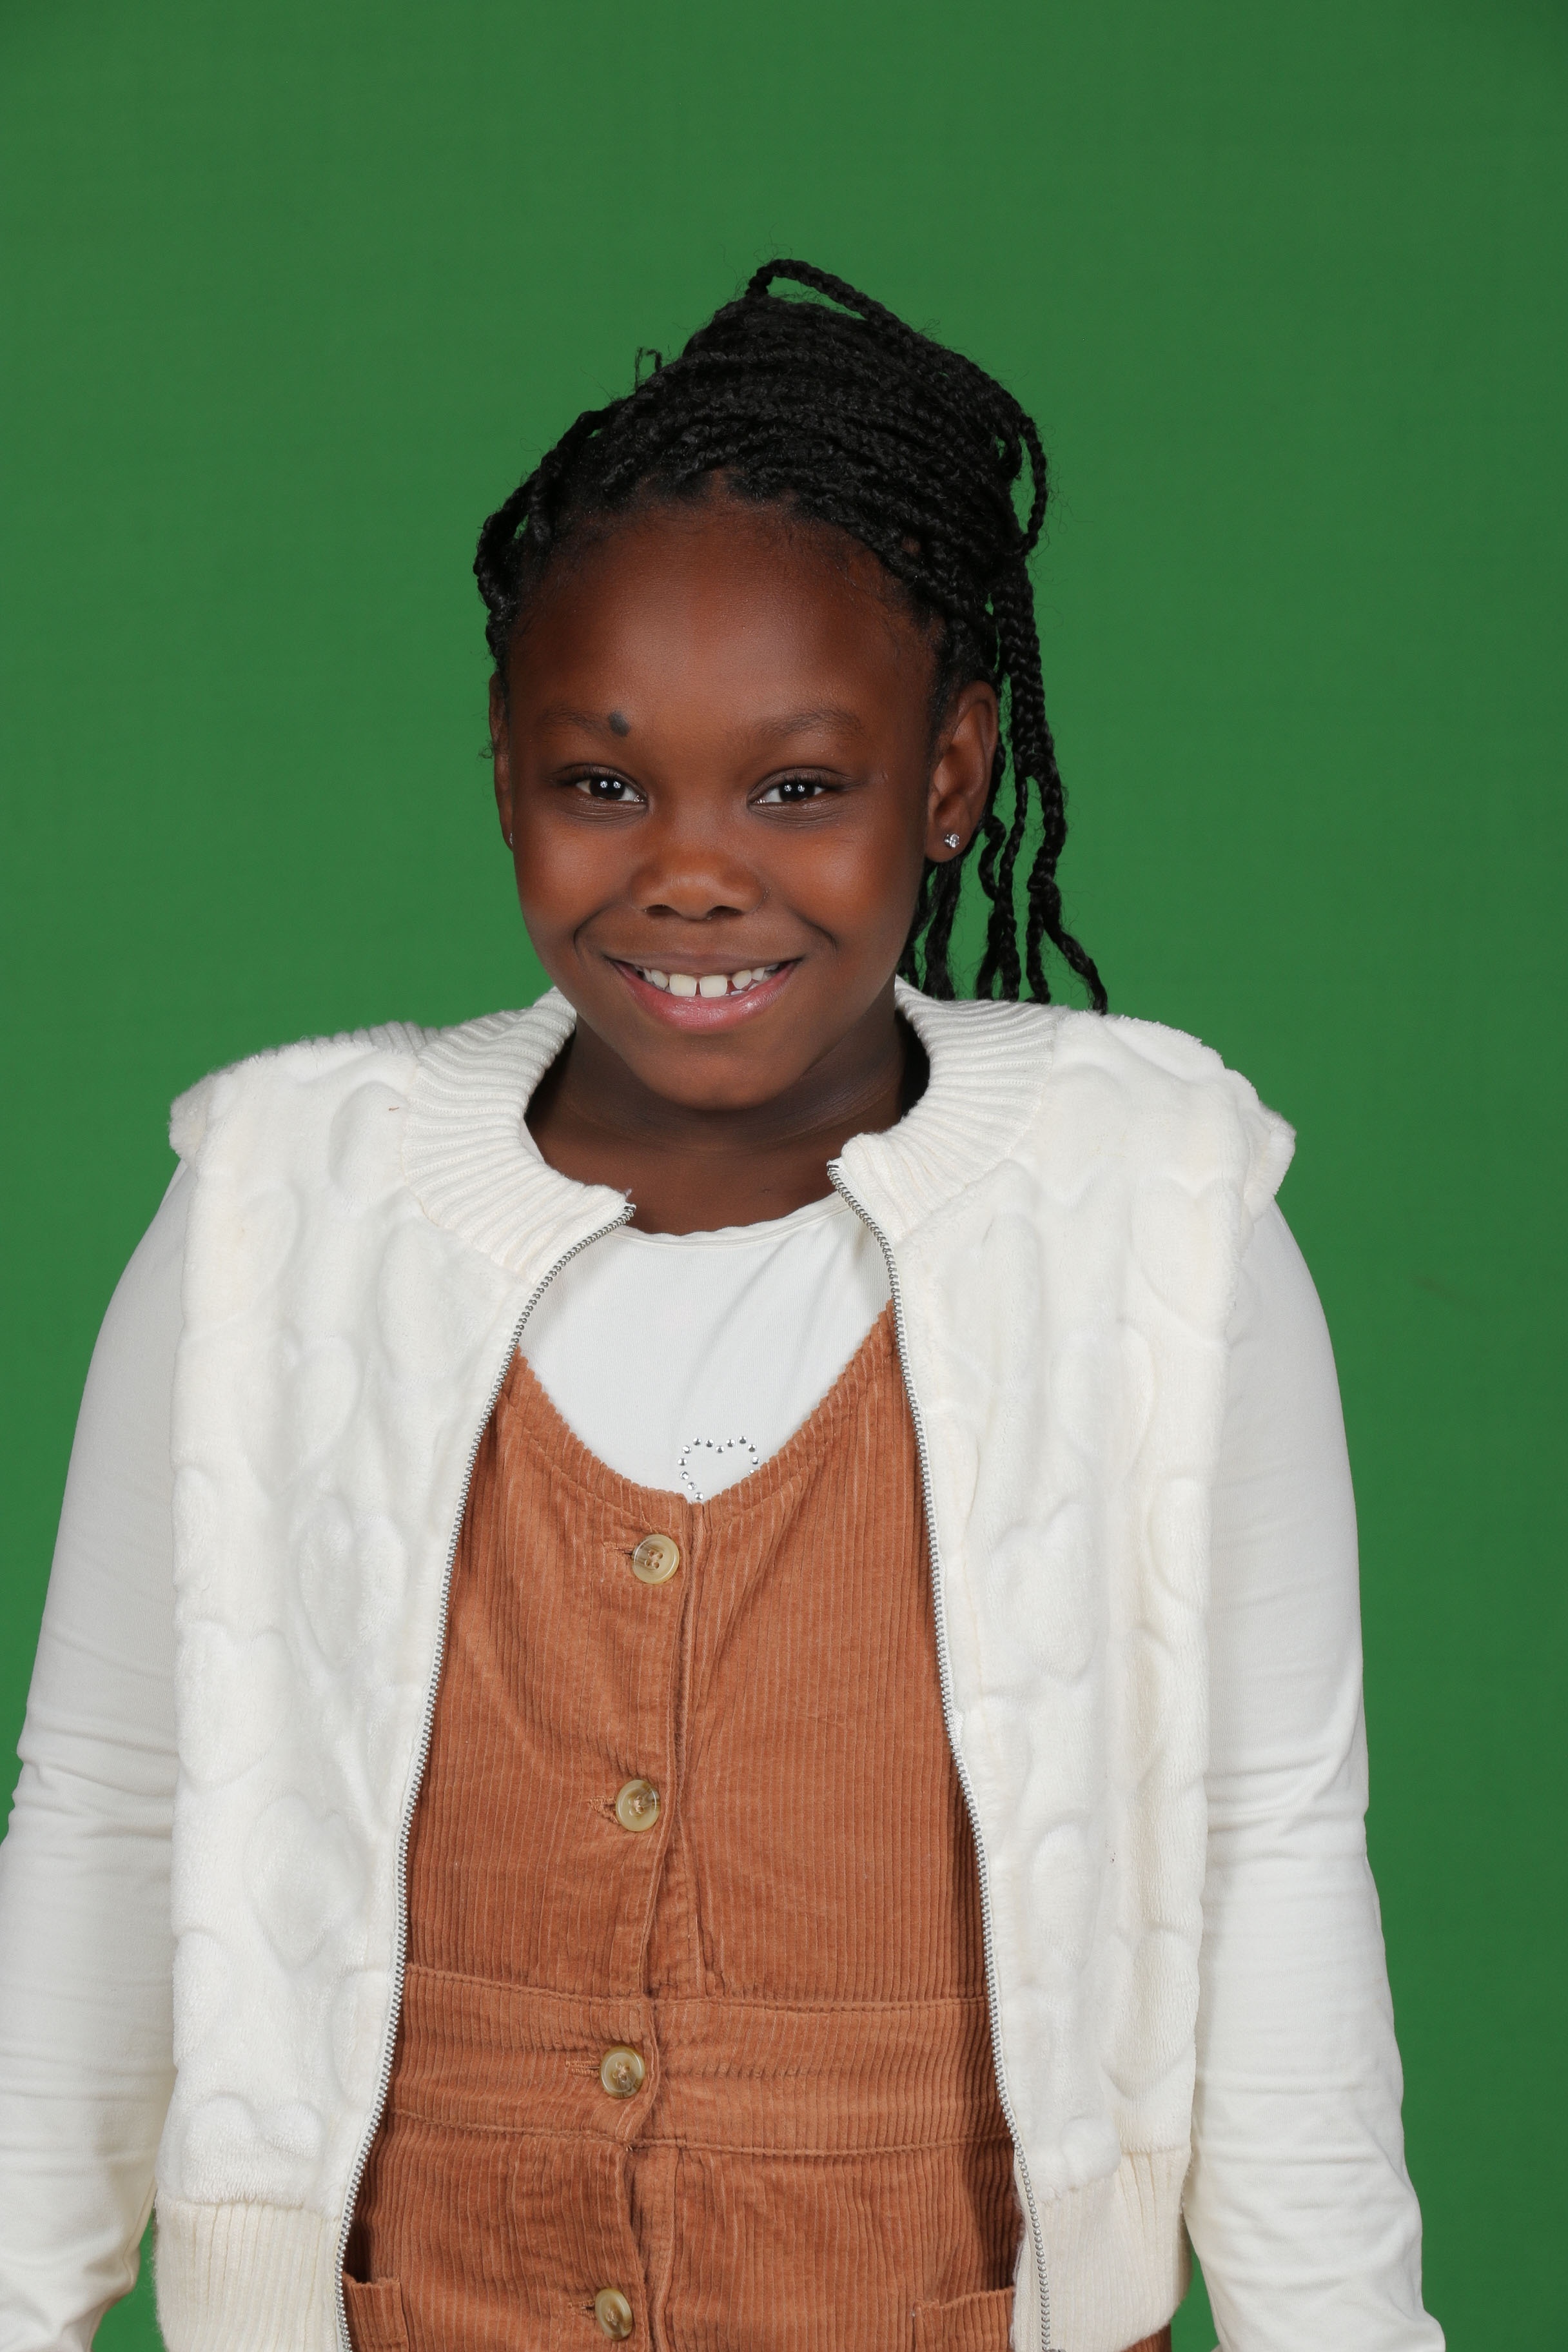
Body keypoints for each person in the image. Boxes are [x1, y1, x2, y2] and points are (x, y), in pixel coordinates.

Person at [0, 262, 1442, 2352]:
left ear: (950, 776)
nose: (691, 872)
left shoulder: (1155, 1218)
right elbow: (109, 1814)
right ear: (504, 770)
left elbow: (1271, 1847)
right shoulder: (273, 1217)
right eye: (604, 785)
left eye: (797, 787)